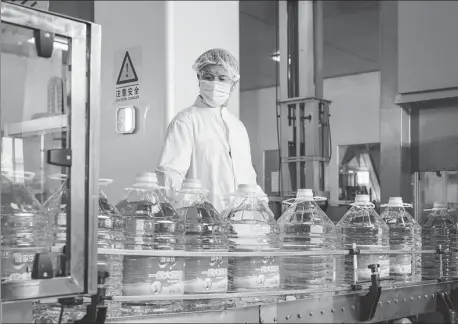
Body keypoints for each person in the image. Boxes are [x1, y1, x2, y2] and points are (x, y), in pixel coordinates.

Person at [156, 48, 265, 212]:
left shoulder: (238, 127)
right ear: (198, 78)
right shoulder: (186, 121)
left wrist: (262, 205)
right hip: (200, 223)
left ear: (233, 83)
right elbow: (170, 177)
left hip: (239, 223)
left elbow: (248, 179)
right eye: (208, 77)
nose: (215, 84)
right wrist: (189, 214)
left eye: (222, 78)